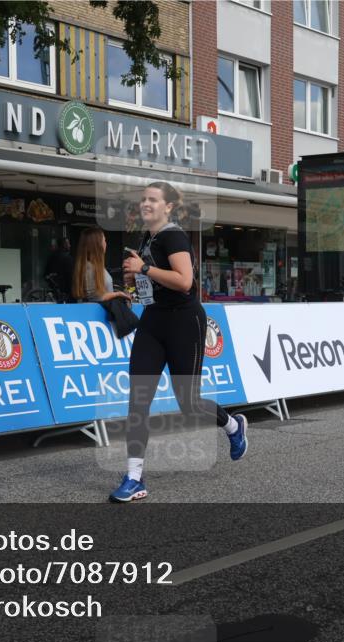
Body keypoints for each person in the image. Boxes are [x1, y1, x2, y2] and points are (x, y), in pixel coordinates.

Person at [110, 182, 247, 503]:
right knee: (138, 399)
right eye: (143, 198)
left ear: (168, 206)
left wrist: (144, 267)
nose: (146, 204)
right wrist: (138, 279)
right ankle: (133, 476)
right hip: (154, 321)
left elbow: (184, 282)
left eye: (153, 199)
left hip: (184, 322)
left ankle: (232, 426)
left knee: (189, 402)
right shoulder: (148, 238)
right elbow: (158, 279)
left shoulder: (173, 235)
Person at [72, 227, 130, 303]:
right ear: (97, 245)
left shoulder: (91, 266)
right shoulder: (89, 268)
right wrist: (118, 294)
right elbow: (95, 298)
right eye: (104, 240)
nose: (106, 244)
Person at [44, 237, 74, 302]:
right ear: (64, 245)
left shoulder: (51, 257)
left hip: (54, 290)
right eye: (68, 243)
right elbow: (70, 276)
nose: (69, 246)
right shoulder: (68, 258)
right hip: (66, 292)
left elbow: (46, 273)